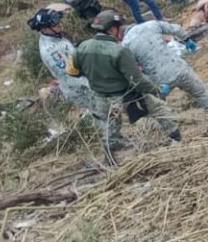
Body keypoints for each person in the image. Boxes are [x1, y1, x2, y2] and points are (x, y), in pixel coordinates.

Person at [69, 10, 180, 162]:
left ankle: (109, 160)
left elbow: (72, 72)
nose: (121, 31)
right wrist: (157, 89)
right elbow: (137, 80)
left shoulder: (81, 48)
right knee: (160, 109)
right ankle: (177, 140)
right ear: (111, 29)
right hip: (124, 95)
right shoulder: (119, 51)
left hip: (99, 96)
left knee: (109, 127)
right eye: (119, 27)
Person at [121, 19, 208, 131]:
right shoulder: (151, 25)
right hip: (179, 68)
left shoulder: (126, 44)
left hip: (159, 79)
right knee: (201, 92)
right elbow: (176, 29)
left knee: (159, 107)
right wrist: (186, 40)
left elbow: (133, 68)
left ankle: (173, 133)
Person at [28, 6, 100, 134]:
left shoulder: (56, 37)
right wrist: (91, 83)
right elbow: (69, 76)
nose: (60, 26)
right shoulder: (51, 51)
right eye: (56, 25)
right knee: (102, 110)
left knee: (101, 110)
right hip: (79, 88)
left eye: (60, 22)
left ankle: (86, 126)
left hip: (83, 78)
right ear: (45, 29)